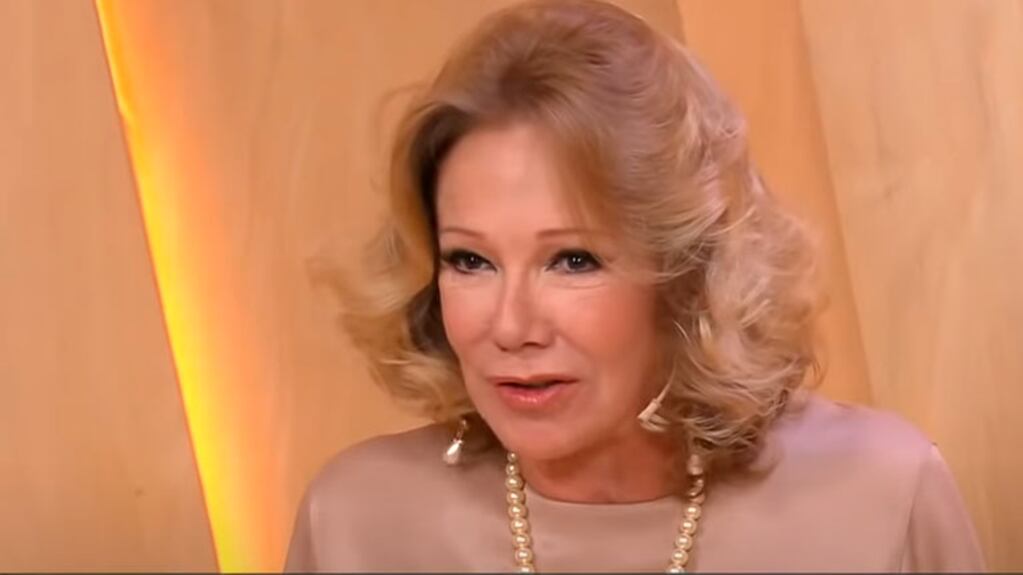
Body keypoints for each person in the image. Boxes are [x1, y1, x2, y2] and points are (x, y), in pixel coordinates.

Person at [284, 0, 986, 571]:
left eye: (572, 260)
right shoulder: (357, 523)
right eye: (471, 261)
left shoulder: (879, 499)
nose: (510, 325)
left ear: (686, 269)